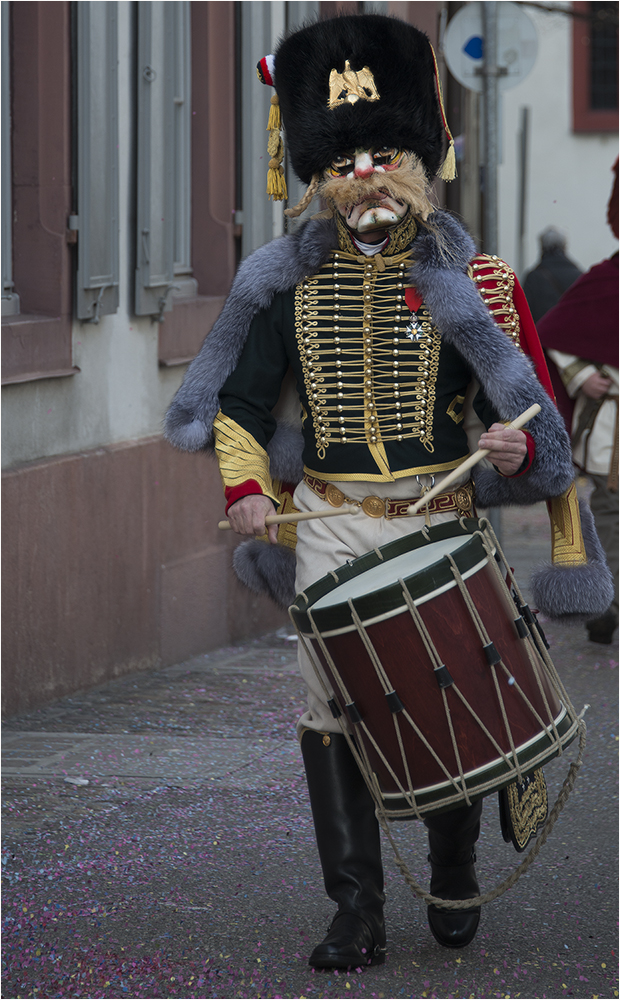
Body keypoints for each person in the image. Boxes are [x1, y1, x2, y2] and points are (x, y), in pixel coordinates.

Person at [165, 14, 609, 969]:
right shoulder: (282, 287)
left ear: (419, 154)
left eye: (383, 151)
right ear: (313, 168)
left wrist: (504, 446)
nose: (363, 174)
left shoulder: (476, 282)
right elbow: (238, 405)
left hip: (442, 521)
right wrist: (244, 486)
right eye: (343, 158)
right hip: (327, 523)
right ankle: (355, 907)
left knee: (441, 692)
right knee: (332, 708)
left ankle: (452, 870)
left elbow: (530, 417)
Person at [538, 161, 619, 645]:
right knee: (611, 506)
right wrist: (582, 373)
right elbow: (555, 334)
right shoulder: (606, 279)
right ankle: (610, 600)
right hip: (614, 421)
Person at [521, 227, 583, 323]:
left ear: (542, 247)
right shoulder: (579, 276)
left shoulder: (533, 278)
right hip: (572, 335)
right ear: (564, 247)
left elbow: (524, 314)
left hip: (542, 335)